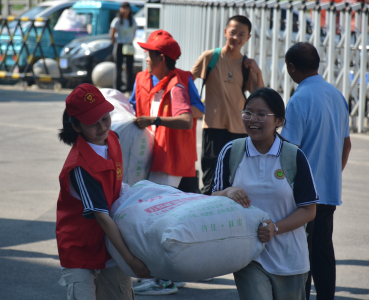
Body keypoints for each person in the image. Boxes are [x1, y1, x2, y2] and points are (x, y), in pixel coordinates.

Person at [212, 87, 319, 300]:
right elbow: (211, 200)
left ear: (279, 121)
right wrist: (228, 192)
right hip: (248, 258)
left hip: (291, 260)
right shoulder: (231, 152)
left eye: (262, 114)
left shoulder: (294, 156)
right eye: (248, 113)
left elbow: (309, 210)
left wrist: (275, 228)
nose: (253, 119)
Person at [56, 83, 152, 300]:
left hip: (111, 243)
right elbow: (101, 216)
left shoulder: (113, 139)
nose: (102, 127)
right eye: (92, 123)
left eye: (105, 118)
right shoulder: (80, 167)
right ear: (77, 126)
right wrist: (130, 259)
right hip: (81, 248)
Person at [281, 42, 352, 300]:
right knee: (322, 250)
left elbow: (290, 151)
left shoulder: (299, 99)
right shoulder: (336, 95)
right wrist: (332, 175)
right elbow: (347, 145)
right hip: (329, 190)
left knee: (301, 253)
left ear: (291, 67)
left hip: (304, 194)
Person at [130, 30, 197, 296]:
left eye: (149, 54)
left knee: (160, 220)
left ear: (160, 57)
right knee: (162, 218)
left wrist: (153, 120)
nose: (146, 58)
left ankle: (165, 279)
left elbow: (187, 119)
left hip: (171, 161)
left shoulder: (175, 84)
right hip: (160, 158)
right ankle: (170, 275)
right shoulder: (156, 81)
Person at [191, 15, 265, 196]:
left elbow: (261, 96)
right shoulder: (210, 57)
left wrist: (258, 71)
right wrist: (194, 106)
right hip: (213, 127)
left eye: (242, 34)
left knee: (234, 178)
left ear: (248, 38)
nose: (236, 38)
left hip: (239, 129)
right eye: (233, 33)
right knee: (210, 178)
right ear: (225, 32)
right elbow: (188, 81)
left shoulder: (247, 65)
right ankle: (204, 219)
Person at [110, 2, 138, 92]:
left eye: (127, 8)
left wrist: (130, 41)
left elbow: (134, 32)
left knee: (129, 67)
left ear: (130, 10)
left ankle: (129, 87)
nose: (125, 10)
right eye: (123, 8)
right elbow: (112, 34)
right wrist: (115, 43)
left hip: (129, 45)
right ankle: (117, 87)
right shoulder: (117, 20)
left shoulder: (132, 20)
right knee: (118, 67)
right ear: (120, 9)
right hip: (119, 44)